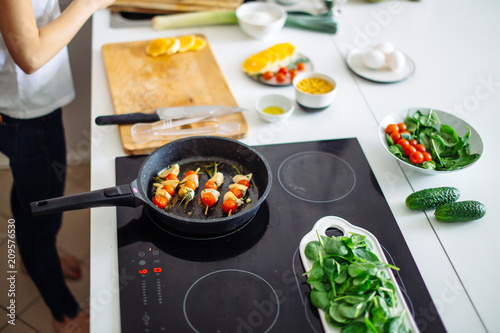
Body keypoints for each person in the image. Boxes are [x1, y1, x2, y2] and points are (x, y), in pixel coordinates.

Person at [0, 0, 114, 332]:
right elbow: (30, 56)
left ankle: (32, 256)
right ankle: (63, 313)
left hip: (21, 106)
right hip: (25, 111)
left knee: (29, 188)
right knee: (43, 211)